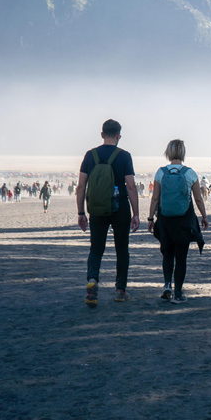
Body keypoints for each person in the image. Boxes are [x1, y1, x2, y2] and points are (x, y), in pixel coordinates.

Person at [76, 119, 140, 308]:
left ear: (102, 134)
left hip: (97, 208)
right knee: (122, 249)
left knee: (96, 248)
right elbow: (131, 186)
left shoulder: (90, 155)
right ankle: (120, 290)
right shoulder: (124, 156)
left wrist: (81, 212)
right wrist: (136, 213)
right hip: (120, 208)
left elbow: (81, 186)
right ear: (118, 136)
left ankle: (93, 279)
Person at [148, 139, 208, 304]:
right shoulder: (190, 173)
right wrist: (204, 216)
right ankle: (178, 293)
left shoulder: (161, 172)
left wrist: (150, 218)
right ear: (183, 153)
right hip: (184, 220)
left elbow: (155, 198)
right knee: (181, 257)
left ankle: (167, 284)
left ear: (168, 152)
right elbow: (198, 198)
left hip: (165, 220)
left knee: (167, 253)